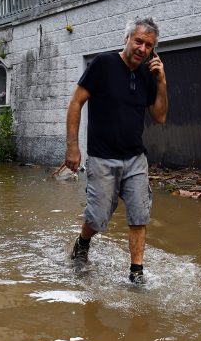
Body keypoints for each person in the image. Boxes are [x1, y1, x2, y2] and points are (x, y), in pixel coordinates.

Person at [65, 16, 168, 285]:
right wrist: (73, 147)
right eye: (138, 41)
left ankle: (136, 272)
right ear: (127, 39)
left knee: (139, 215)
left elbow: (159, 117)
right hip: (102, 158)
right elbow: (76, 103)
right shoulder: (103, 64)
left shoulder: (148, 74)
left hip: (135, 158)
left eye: (149, 45)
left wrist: (162, 81)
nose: (143, 49)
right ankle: (83, 241)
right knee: (97, 218)